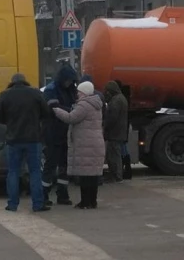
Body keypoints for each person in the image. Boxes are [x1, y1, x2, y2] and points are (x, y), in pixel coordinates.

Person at [0, 73, 51, 213]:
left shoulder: (5, 95)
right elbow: (46, 112)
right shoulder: (35, 93)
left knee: (13, 172)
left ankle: (12, 204)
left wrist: (9, 122)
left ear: (12, 82)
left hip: (13, 140)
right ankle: (37, 204)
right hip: (33, 139)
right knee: (35, 172)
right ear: (25, 81)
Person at [49, 81, 105, 209]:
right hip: (95, 142)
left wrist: (56, 109)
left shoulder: (84, 105)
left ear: (84, 93)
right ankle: (92, 202)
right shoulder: (96, 104)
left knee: (85, 175)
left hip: (85, 143)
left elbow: (70, 118)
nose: (77, 94)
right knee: (92, 176)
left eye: (79, 92)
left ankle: (85, 202)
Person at [41, 63, 79, 206]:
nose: (69, 83)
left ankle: (62, 194)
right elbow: (53, 108)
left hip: (65, 133)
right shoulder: (51, 90)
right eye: (68, 80)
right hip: (52, 132)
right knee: (50, 165)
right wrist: (72, 110)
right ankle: (44, 195)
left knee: (64, 165)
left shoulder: (70, 90)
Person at [103, 80, 128, 183]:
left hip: (114, 133)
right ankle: (116, 175)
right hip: (119, 132)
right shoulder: (121, 98)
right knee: (115, 154)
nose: (106, 92)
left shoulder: (116, 101)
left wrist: (105, 126)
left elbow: (112, 117)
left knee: (113, 155)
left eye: (107, 90)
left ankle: (116, 176)